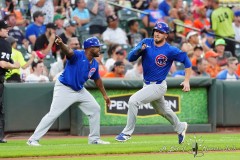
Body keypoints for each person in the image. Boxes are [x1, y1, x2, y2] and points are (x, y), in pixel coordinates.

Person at [115, 22, 191, 144]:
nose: (157, 33)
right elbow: (130, 58)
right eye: (156, 30)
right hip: (147, 84)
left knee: (133, 101)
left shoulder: (170, 50)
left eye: (161, 32)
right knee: (162, 111)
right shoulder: (146, 42)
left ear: (166, 35)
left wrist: (186, 80)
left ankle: (126, 133)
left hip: (159, 85)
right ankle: (180, 126)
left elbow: (187, 61)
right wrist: (139, 50)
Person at [27, 36, 111, 146]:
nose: (99, 49)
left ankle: (94, 139)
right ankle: (33, 139)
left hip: (79, 89)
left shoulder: (94, 63)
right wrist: (61, 44)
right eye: (97, 47)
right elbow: (69, 51)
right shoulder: (78, 55)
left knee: (95, 109)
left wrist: (105, 95)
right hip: (64, 88)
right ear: (89, 48)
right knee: (53, 114)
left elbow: (97, 80)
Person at [0, 20, 20, 143]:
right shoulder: (4, 44)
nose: (7, 29)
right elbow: (2, 64)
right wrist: (15, 66)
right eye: (4, 28)